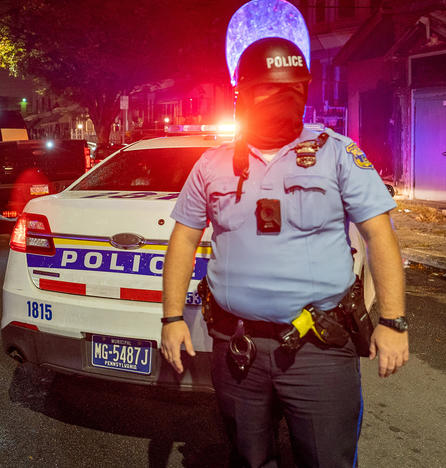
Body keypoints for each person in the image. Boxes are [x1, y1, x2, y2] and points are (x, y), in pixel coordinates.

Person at [160, 32, 409, 468]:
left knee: (326, 459)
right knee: (248, 458)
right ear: (245, 94)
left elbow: (379, 236)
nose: (283, 99)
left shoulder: (338, 154)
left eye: (295, 90)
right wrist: (172, 317)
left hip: (320, 350)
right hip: (237, 348)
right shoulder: (213, 164)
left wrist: (393, 321)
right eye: (270, 90)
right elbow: (184, 237)